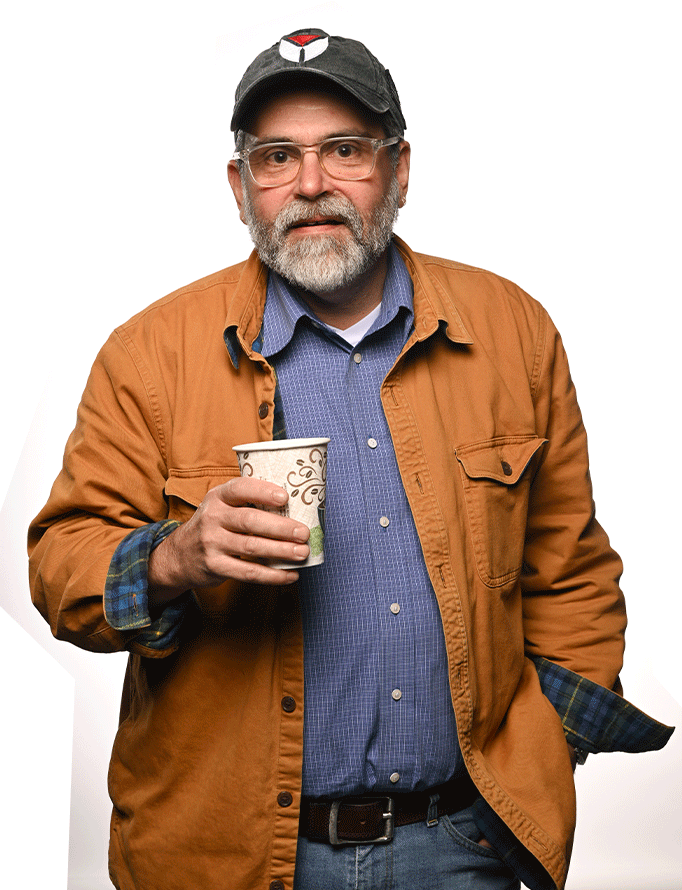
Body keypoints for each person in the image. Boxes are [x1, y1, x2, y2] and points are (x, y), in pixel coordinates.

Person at [28, 28, 673, 890]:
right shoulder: (150, 354)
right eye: (276, 158)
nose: (310, 184)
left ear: (399, 169)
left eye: (344, 150)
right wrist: (174, 557)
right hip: (224, 858)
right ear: (240, 185)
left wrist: (543, 750)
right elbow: (60, 567)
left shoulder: (512, 329)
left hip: (459, 846)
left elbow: (570, 567)